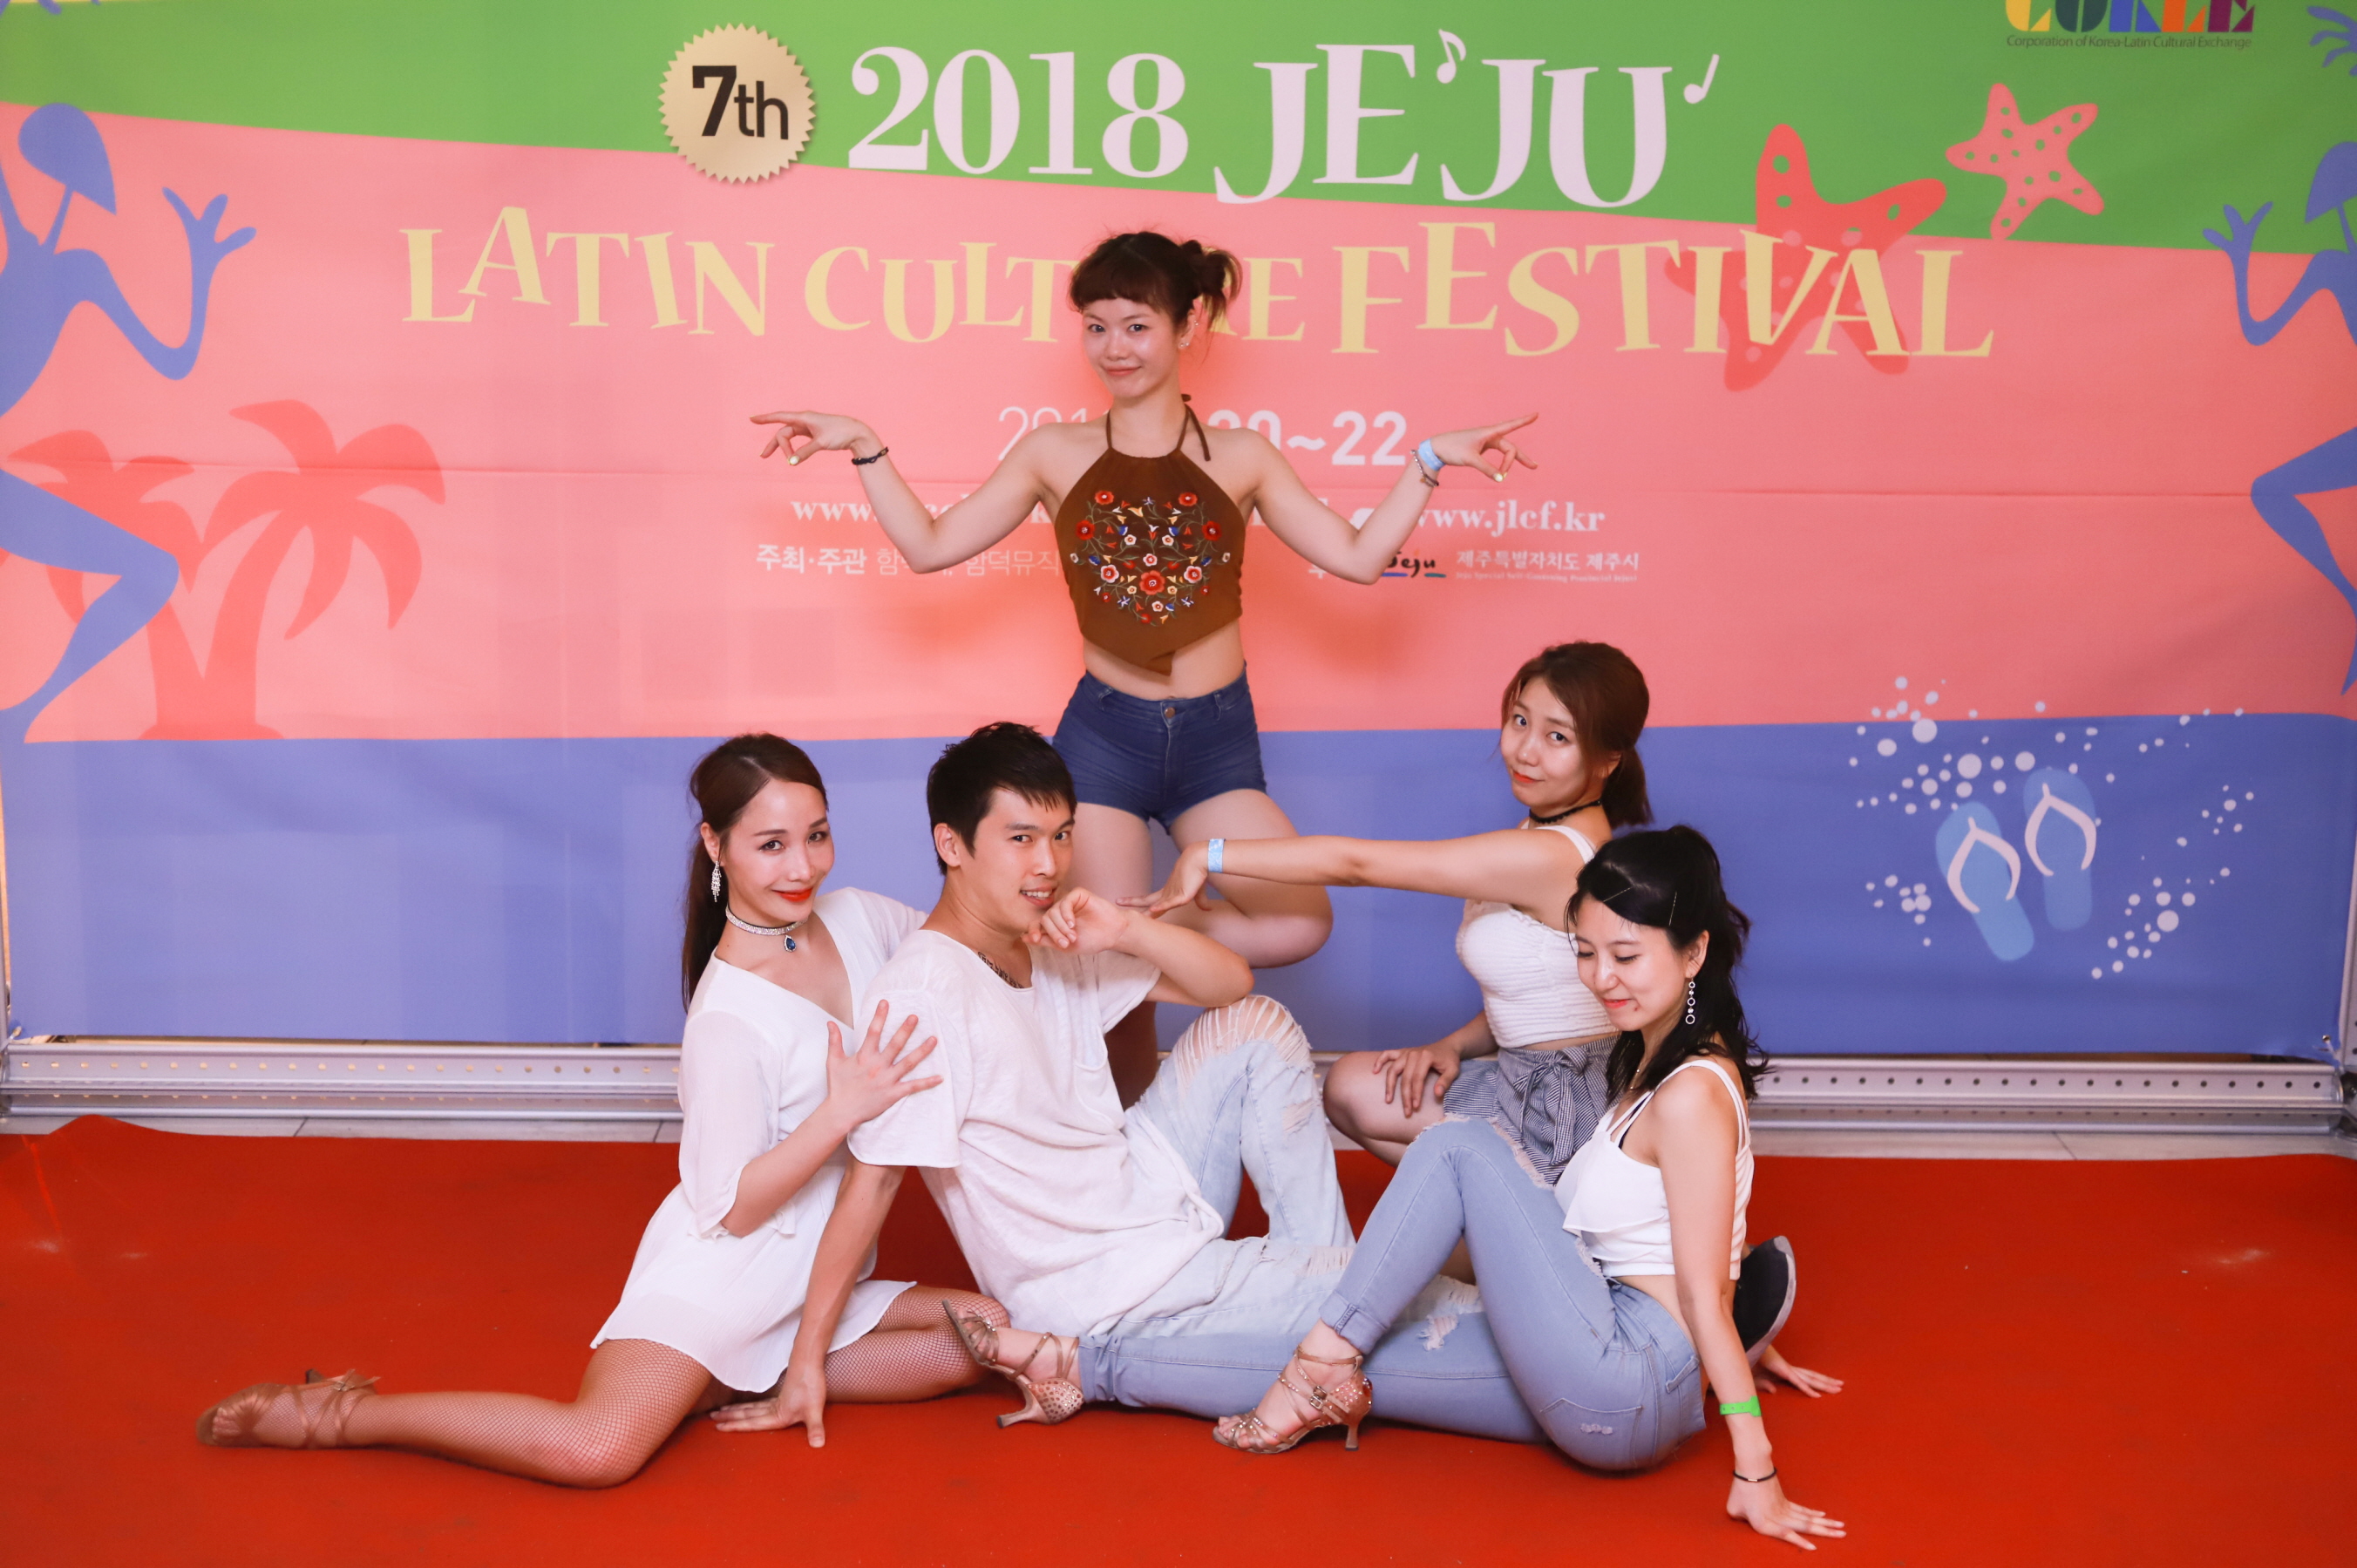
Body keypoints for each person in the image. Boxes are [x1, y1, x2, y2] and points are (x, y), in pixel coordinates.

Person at [751, 230, 1539, 1103]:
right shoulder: (1053, 451)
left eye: (1135, 326)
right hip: (1106, 738)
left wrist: (1427, 462)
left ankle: (1143, 924)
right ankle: (1114, 1127)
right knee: (1114, 1001)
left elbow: (1355, 558)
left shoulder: (1241, 455)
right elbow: (930, 546)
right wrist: (865, 445)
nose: (1113, 348)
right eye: (1096, 327)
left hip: (1216, 738)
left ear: (1187, 324)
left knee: (1295, 918)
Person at [193, 735, 1005, 1485]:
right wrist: (841, 1112)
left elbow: (967, 949)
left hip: (820, 1276)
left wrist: (1061, 914)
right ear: (717, 846)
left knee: (980, 1331)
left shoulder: (862, 918)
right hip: (730, 1276)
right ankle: (340, 1414)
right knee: (596, 1448)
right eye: (771, 845)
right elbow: (732, 1206)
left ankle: (751, 1372)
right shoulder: (729, 1015)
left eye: (816, 836)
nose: (803, 866)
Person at [1063, 829, 1845, 1551]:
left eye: (1626, 955)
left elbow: (1703, 1290)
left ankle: (1319, 1358)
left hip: (1624, 1376)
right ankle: (1082, 1363)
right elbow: (1692, 1224)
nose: (1601, 978)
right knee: (1366, 1354)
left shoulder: (1692, 1091)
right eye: (1585, 951)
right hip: (1592, 1351)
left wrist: (1755, 1464)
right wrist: (1728, 1329)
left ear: (1694, 951)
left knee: (1459, 1146)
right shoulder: (1652, 1053)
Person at [828, 723, 1521, 1437]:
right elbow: (872, 1184)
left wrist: (1124, 930)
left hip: (1143, 1195)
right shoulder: (922, 992)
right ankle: (1333, 1298)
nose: (1049, 863)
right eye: (1022, 839)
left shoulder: (1051, 936)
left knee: (1256, 1026)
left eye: (1062, 835)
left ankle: (1323, 1291)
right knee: (1452, 1305)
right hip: (1098, 1287)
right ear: (952, 845)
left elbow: (1231, 983)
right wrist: (805, 1364)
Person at [1136, 640, 1647, 1178]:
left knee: (1380, 1116)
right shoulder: (1548, 829)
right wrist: (1451, 1046)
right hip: (1526, 1076)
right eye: (1519, 721)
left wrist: (1209, 854)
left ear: (1608, 758)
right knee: (1352, 1086)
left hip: (1560, 1106)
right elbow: (1546, 995)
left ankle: (1522, 1214)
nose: (1525, 751)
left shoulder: (1550, 854)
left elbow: (1356, 864)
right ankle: (1501, 1209)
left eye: (1557, 737)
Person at [0, 103, 250, 745]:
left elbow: (174, 360)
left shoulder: (80, 270)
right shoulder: (31, 245)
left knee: (153, 570)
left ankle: (20, 716)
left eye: (63, 185)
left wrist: (201, 271)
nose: (56, 200)